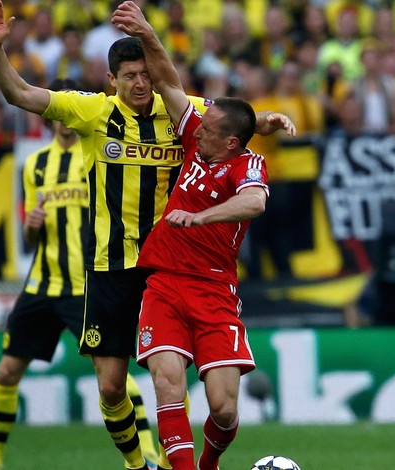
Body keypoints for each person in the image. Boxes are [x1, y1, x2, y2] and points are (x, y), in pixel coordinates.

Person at [0, 2, 293, 468]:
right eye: (129, 75)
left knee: (172, 374)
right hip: (110, 264)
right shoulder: (91, 112)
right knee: (110, 386)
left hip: (168, 266)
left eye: (145, 73)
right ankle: (136, 463)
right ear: (112, 80)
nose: (141, 82)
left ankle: (171, 463)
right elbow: (20, 94)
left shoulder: (178, 113)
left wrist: (266, 119)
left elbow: (231, 120)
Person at [111, 2, 294, 469]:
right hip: (166, 281)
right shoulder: (198, 134)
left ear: (231, 142)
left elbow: (255, 203)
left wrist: (203, 216)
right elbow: (170, 82)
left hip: (215, 288)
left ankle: (209, 463)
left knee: (225, 408)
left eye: (208, 128)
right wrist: (149, 33)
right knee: (167, 381)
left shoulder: (247, 164)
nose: (194, 127)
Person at [0, 78, 156, 470]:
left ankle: (149, 454)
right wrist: (32, 225)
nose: (67, 119)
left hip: (86, 284)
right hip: (42, 283)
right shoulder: (36, 164)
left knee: (113, 377)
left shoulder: (101, 152)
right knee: (6, 371)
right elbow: (28, 235)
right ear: (52, 115)